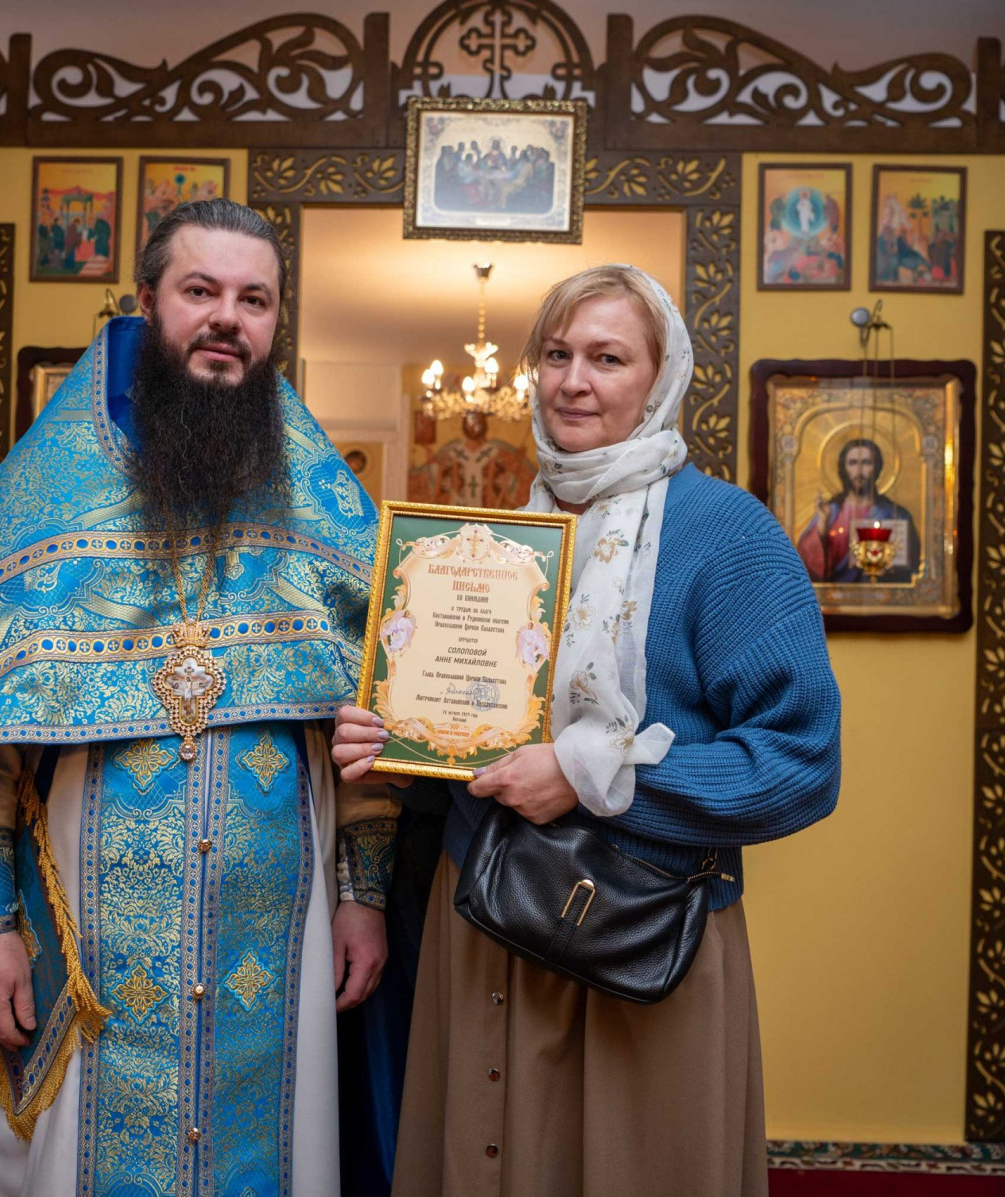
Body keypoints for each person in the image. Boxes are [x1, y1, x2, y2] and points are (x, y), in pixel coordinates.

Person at [0, 199, 396, 1197]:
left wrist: (365, 895)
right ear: (148, 302)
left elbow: (371, 711)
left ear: (275, 322)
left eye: (255, 299)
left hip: (281, 937)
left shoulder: (323, 506)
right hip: (86, 937)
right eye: (201, 291)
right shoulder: (41, 501)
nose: (227, 318)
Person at [336, 264, 841, 1196]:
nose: (574, 381)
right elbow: (481, 752)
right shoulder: (491, 544)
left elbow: (801, 762)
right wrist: (400, 748)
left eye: (608, 358)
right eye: (557, 354)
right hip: (484, 927)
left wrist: (588, 774)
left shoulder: (727, 534)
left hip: (640, 939)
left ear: (662, 378)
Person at [796, 437, 919, 584]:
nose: (859, 471)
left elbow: (911, 564)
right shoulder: (830, 512)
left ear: (877, 467)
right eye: (853, 463)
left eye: (866, 463)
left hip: (881, 594)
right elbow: (805, 564)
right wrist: (822, 527)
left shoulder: (896, 514)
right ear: (844, 468)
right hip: (835, 594)